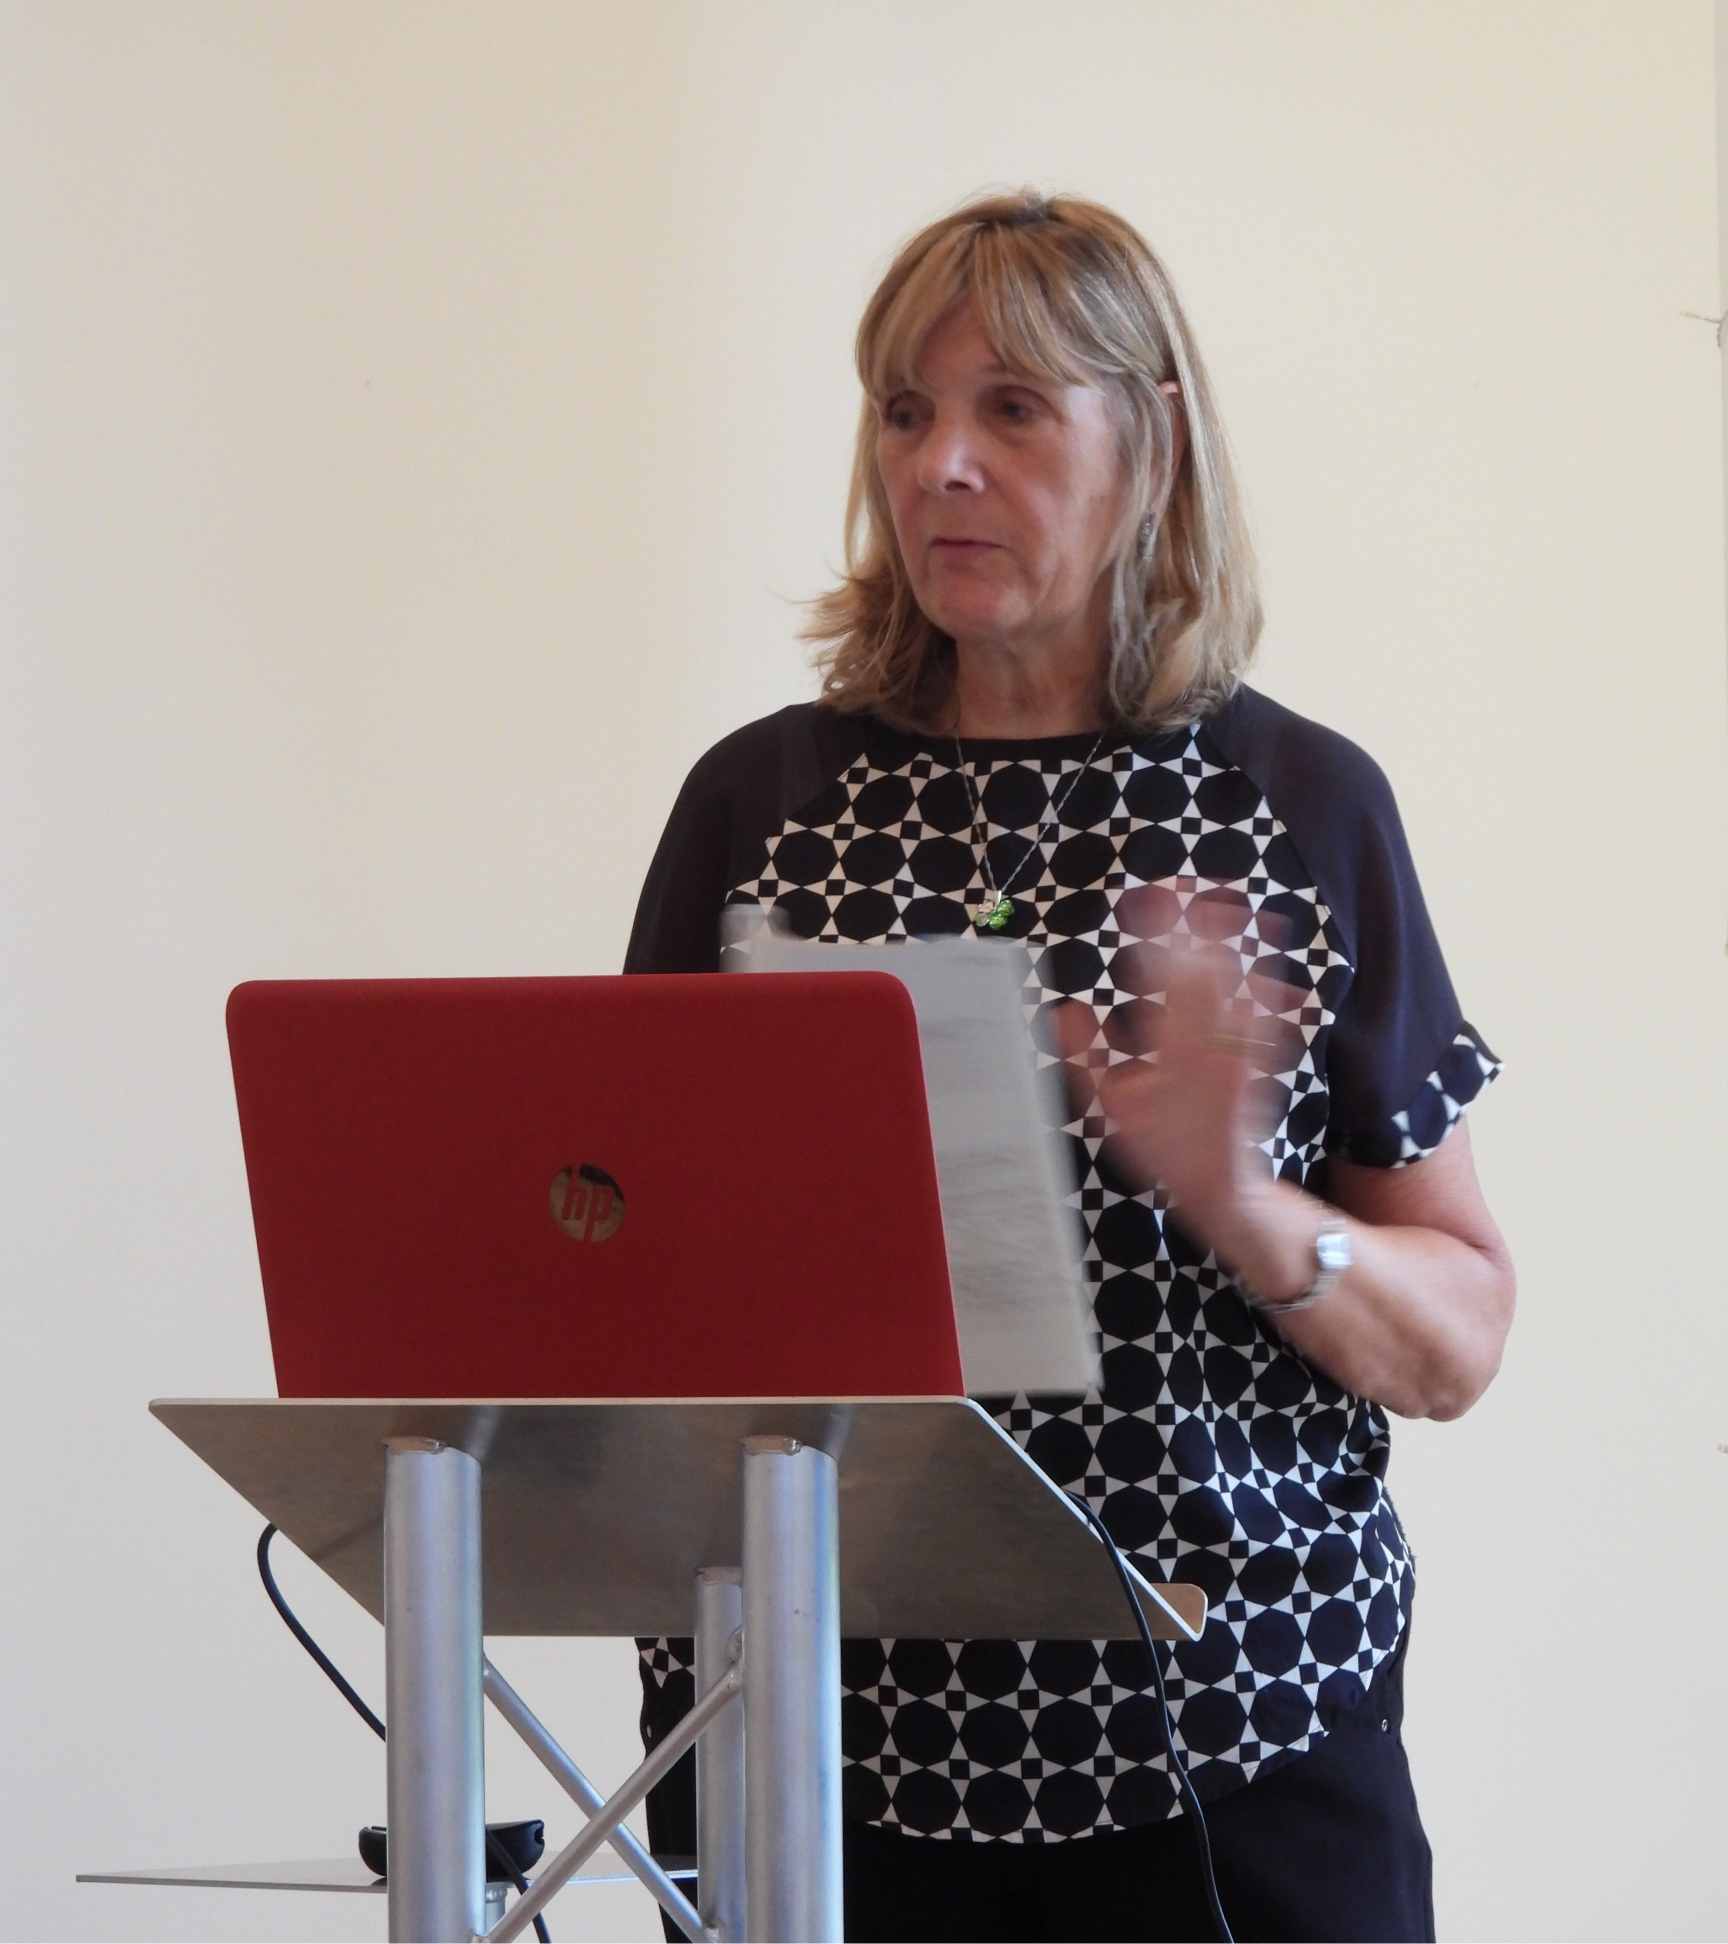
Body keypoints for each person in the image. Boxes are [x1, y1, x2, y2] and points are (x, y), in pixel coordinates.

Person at [624, 186, 1515, 1943]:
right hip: (814, 1739)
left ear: (1151, 443)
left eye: (1014, 409)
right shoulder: (764, 807)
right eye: (905, 412)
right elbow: (628, 1252)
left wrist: (1244, 1204)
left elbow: (1459, 1340)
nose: (941, 465)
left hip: (1234, 1739)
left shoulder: (1296, 808)